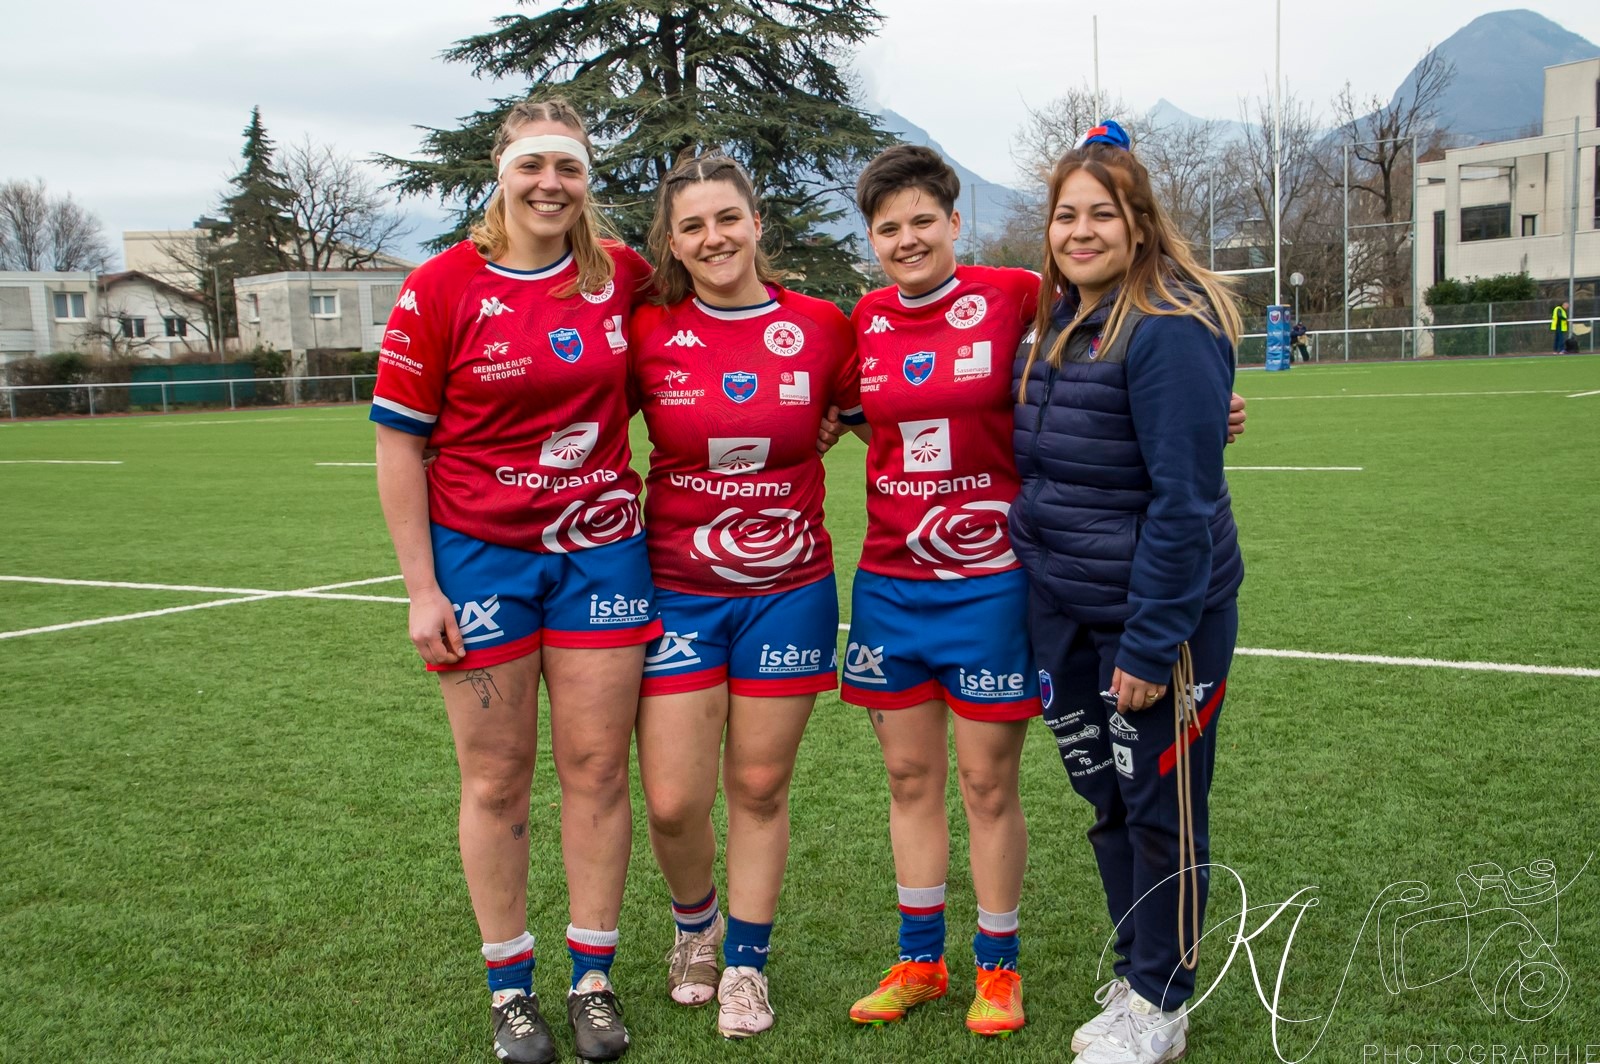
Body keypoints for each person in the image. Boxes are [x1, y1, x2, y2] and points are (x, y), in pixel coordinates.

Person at [370, 97, 658, 1064]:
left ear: (587, 179)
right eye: (533, 165)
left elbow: (706, 342)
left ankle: (592, 979)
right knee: (495, 781)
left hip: (603, 556)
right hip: (480, 561)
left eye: (568, 168)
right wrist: (420, 588)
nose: (550, 185)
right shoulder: (440, 287)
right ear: (502, 170)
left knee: (596, 769)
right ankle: (509, 988)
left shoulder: (622, 277)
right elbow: (397, 447)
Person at [1010, 120, 1243, 1064]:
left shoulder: (1170, 326)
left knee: (1162, 805)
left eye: (1100, 213)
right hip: (1064, 611)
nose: (1080, 230)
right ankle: (1136, 966)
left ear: (1139, 224)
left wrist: (1151, 645)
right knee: (1106, 799)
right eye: (1066, 215)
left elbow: (1186, 504)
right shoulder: (1059, 320)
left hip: (1153, 625)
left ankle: (1162, 999)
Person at [629, 153, 861, 1039]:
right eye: (692, 225)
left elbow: (911, 411)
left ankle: (745, 967)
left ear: (756, 224)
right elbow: (564, 407)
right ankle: (696, 923)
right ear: (674, 242)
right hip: (678, 591)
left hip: (791, 589)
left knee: (760, 784)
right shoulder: (649, 328)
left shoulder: (821, 326)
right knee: (673, 801)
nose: (713, 237)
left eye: (728, 218)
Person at [837, 143, 1045, 1038]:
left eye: (924, 221)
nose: (908, 238)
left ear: (956, 223)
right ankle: (921, 960)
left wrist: (1209, 399)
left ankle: (998, 970)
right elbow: (838, 422)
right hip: (890, 581)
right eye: (890, 228)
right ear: (873, 240)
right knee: (909, 775)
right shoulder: (865, 318)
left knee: (986, 784)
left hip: (993, 584)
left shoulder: (1015, 295)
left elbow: (1126, 335)